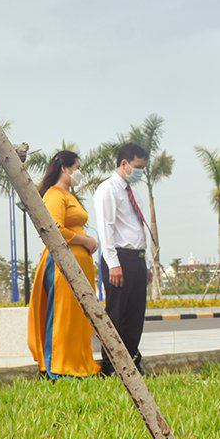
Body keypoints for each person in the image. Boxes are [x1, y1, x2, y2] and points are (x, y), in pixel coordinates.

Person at [28, 151, 99, 378]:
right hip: (62, 264)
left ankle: (79, 365)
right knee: (62, 316)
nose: (79, 172)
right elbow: (55, 228)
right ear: (65, 169)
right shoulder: (54, 195)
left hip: (79, 264)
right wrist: (85, 240)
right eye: (77, 167)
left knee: (78, 317)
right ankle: (56, 368)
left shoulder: (69, 195)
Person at [93, 142, 151, 375]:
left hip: (136, 258)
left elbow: (137, 228)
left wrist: (144, 260)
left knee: (135, 314)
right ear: (124, 163)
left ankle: (132, 361)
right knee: (117, 313)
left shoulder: (133, 191)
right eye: (137, 167)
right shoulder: (108, 189)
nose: (140, 172)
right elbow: (105, 228)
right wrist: (113, 263)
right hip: (119, 258)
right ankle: (110, 365)